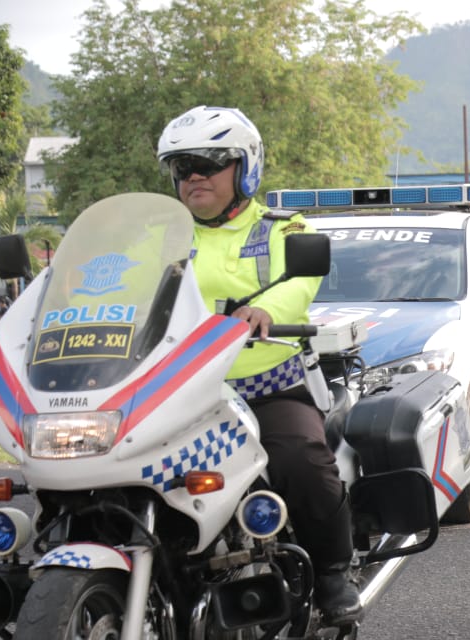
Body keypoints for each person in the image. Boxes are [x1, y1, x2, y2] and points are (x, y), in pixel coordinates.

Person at [156, 105, 361, 624]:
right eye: (183, 167)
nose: (194, 176)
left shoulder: (279, 227)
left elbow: (299, 282)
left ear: (244, 167)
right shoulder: (161, 239)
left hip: (265, 387)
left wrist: (267, 309)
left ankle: (335, 573)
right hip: (172, 395)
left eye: (209, 162)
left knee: (299, 460)